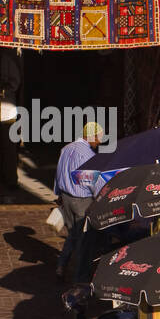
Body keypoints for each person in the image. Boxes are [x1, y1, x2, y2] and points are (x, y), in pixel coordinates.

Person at [54, 120, 105, 282]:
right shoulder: (87, 155)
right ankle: (81, 278)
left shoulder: (66, 149)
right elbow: (91, 182)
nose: (99, 143)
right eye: (98, 138)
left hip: (66, 198)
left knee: (73, 235)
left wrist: (59, 194)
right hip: (82, 200)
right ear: (91, 137)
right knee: (85, 239)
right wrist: (102, 196)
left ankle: (61, 266)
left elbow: (58, 173)